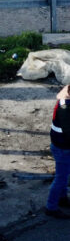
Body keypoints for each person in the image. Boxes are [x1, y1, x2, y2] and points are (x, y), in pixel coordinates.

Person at [45, 85, 70, 218]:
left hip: (61, 145)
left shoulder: (65, 99)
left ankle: (62, 198)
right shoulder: (65, 107)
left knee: (64, 175)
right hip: (63, 147)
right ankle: (51, 207)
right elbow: (68, 131)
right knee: (61, 178)